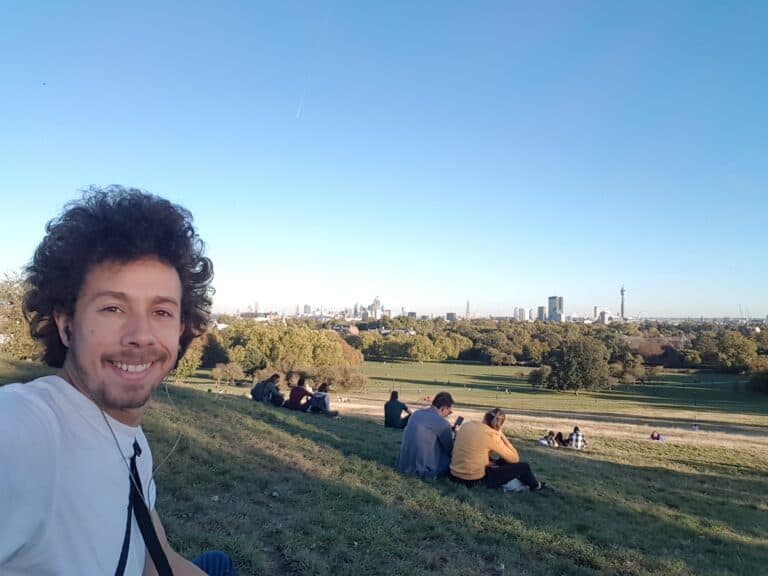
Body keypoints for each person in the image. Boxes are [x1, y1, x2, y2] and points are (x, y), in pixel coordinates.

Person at [0, 187, 237, 575]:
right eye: (113, 307)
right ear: (66, 324)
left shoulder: (132, 443)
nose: (141, 335)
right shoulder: (27, 432)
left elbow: (153, 556)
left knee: (218, 565)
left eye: (161, 311)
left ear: (180, 329)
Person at [450, 408, 546, 491]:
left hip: (454, 474)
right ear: (498, 426)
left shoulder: (467, 425)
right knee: (524, 467)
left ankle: (528, 482)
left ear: (485, 417)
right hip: (472, 480)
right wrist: (502, 435)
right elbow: (515, 458)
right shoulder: (491, 435)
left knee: (501, 461)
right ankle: (536, 486)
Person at [395, 391, 456, 479]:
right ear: (443, 408)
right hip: (422, 471)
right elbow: (450, 449)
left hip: (402, 465)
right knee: (451, 458)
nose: (447, 416)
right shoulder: (443, 423)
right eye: (449, 412)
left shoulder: (416, 414)